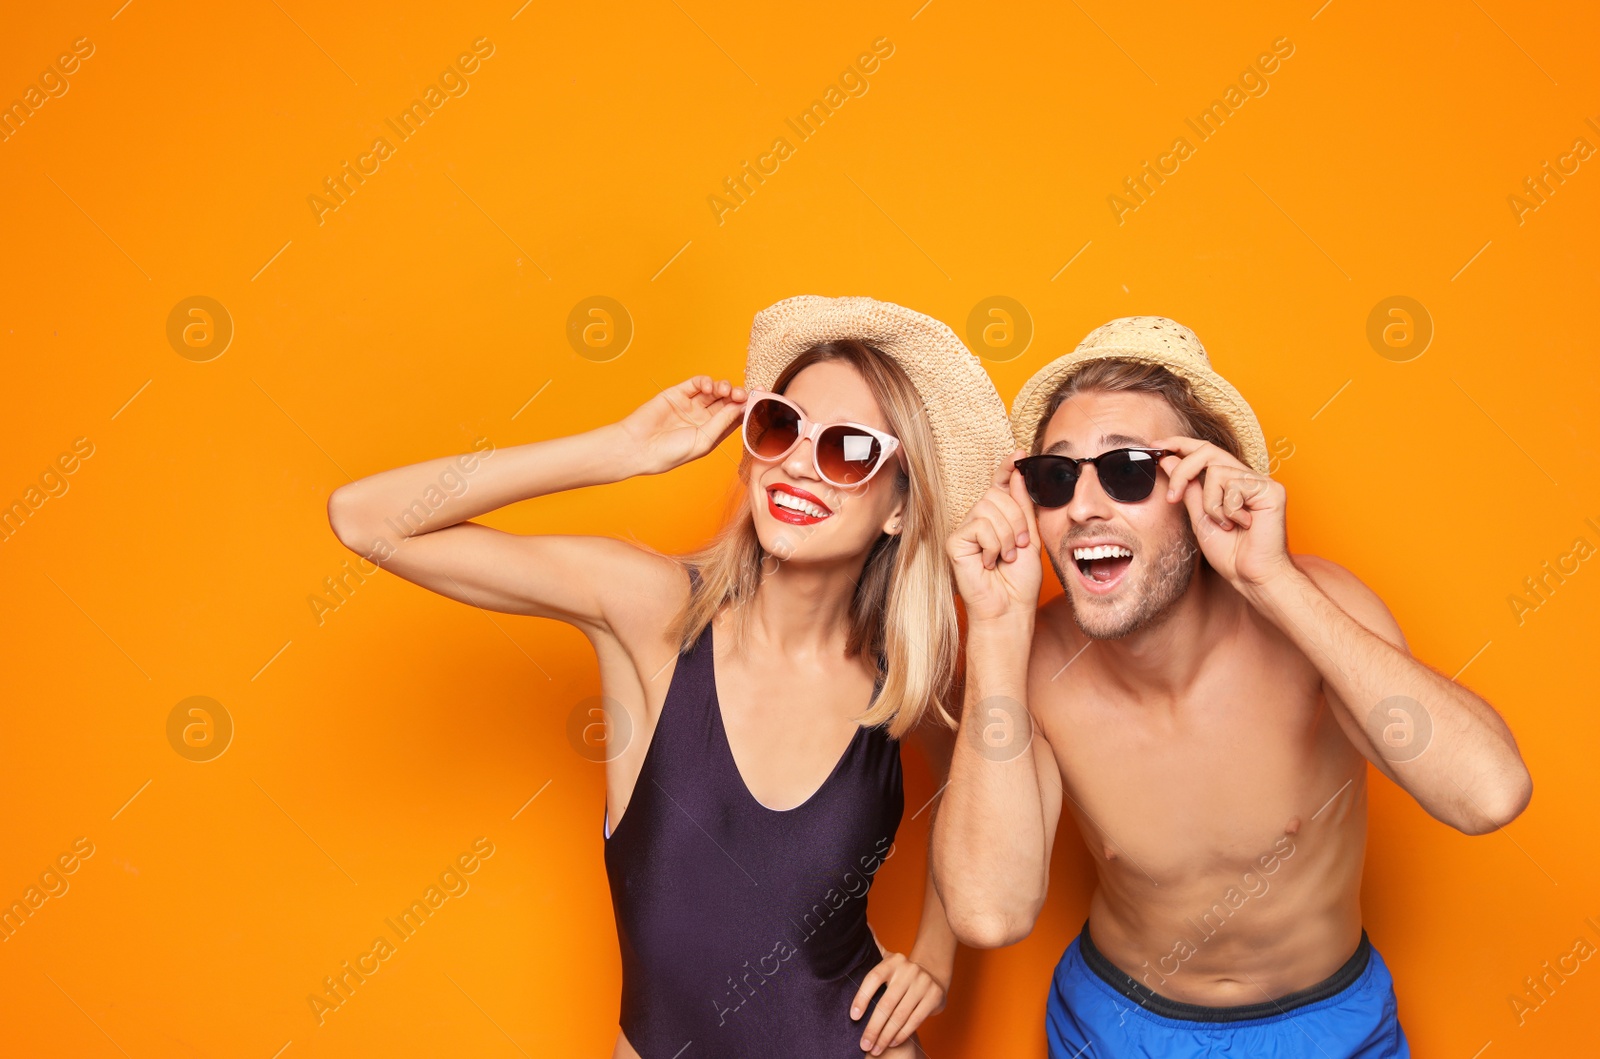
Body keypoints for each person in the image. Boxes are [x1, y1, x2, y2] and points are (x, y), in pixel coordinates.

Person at [327, 294, 1014, 1057]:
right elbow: (365, 517)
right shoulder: (653, 611)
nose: (797, 462)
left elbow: (977, 798)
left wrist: (935, 958)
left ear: (897, 508)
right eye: (781, 425)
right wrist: (621, 449)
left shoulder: (907, 678)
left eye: (848, 450)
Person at [931, 316, 1533, 1057]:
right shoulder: (1027, 661)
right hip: (1117, 1030)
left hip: (1327, 1028)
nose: (1084, 507)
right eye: (1056, 478)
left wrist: (1272, 581)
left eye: (1127, 470)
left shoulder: (1314, 608)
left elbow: (1491, 792)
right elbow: (989, 912)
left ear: (1202, 483)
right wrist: (994, 626)